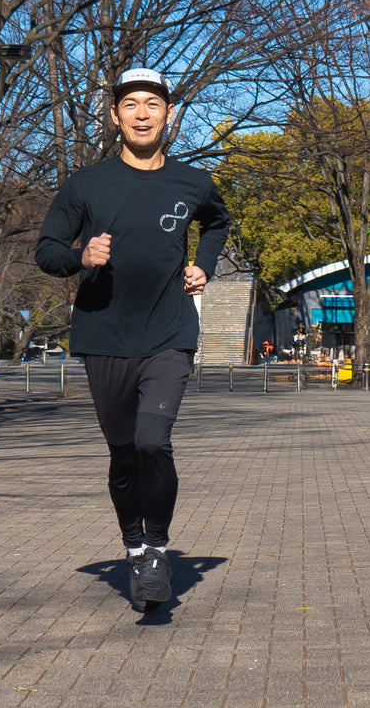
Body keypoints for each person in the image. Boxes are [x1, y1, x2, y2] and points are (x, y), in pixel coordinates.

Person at [35, 66, 230, 608]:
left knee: (152, 442)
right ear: (116, 114)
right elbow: (47, 249)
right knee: (123, 456)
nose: (142, 114)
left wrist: (205, 265)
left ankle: (157, 552)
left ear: (169, 114)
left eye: (153, 104)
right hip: (104, 335)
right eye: (131, 105)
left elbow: (217, 222)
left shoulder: (193, 182)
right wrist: (80, 257)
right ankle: (132, 544)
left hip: (169, 331)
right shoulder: (87, 184)